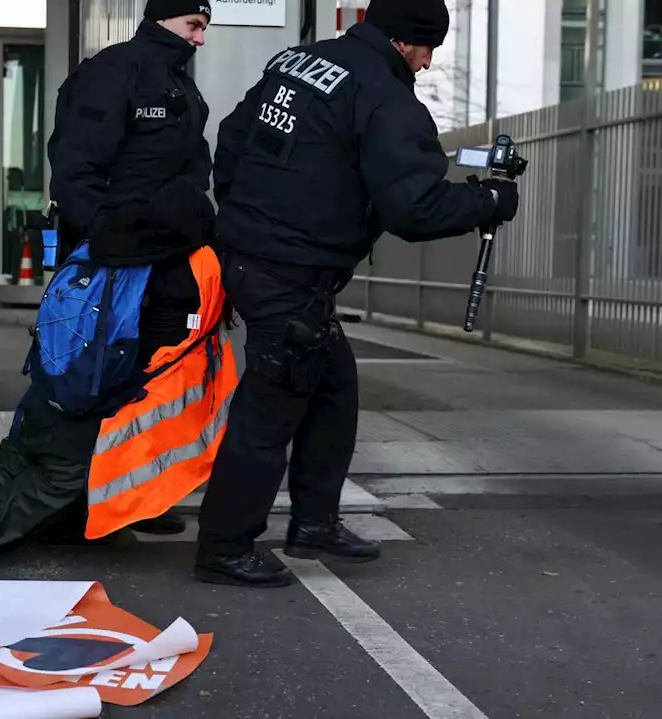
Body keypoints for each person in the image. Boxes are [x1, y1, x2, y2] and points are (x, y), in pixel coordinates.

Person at [195, 0, 521, 587]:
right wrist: (489, 202)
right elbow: (415, 208)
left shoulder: (299, 63)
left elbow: (234, 136)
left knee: (332, 390)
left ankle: (315, 521)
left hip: (257, 257)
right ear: (403, 41)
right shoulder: (386, 99)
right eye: (427, 48)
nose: (427, 62)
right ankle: (224, 546)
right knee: (269, 409)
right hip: (290, 272)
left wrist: (242, 212)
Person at [45, 0, 217, 536]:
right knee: (97, 377)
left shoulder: (177, 85)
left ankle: (135, 499)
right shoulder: (114, 72)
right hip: (115, 263)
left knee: (146, 381)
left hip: (160, 260)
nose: (201, 39)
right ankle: (76, 501)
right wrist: (103, 236)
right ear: (166, 19)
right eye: (195, 25)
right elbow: (74, 164)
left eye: (205, 28)